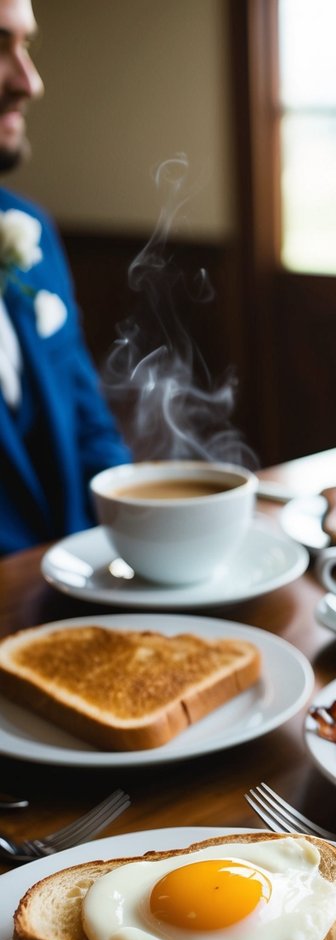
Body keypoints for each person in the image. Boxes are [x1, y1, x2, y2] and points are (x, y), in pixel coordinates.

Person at [0, 0, 131, 555]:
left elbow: (87, 424)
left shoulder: (30, 230)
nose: (30, 82)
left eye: (25, 45)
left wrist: (150, 522)